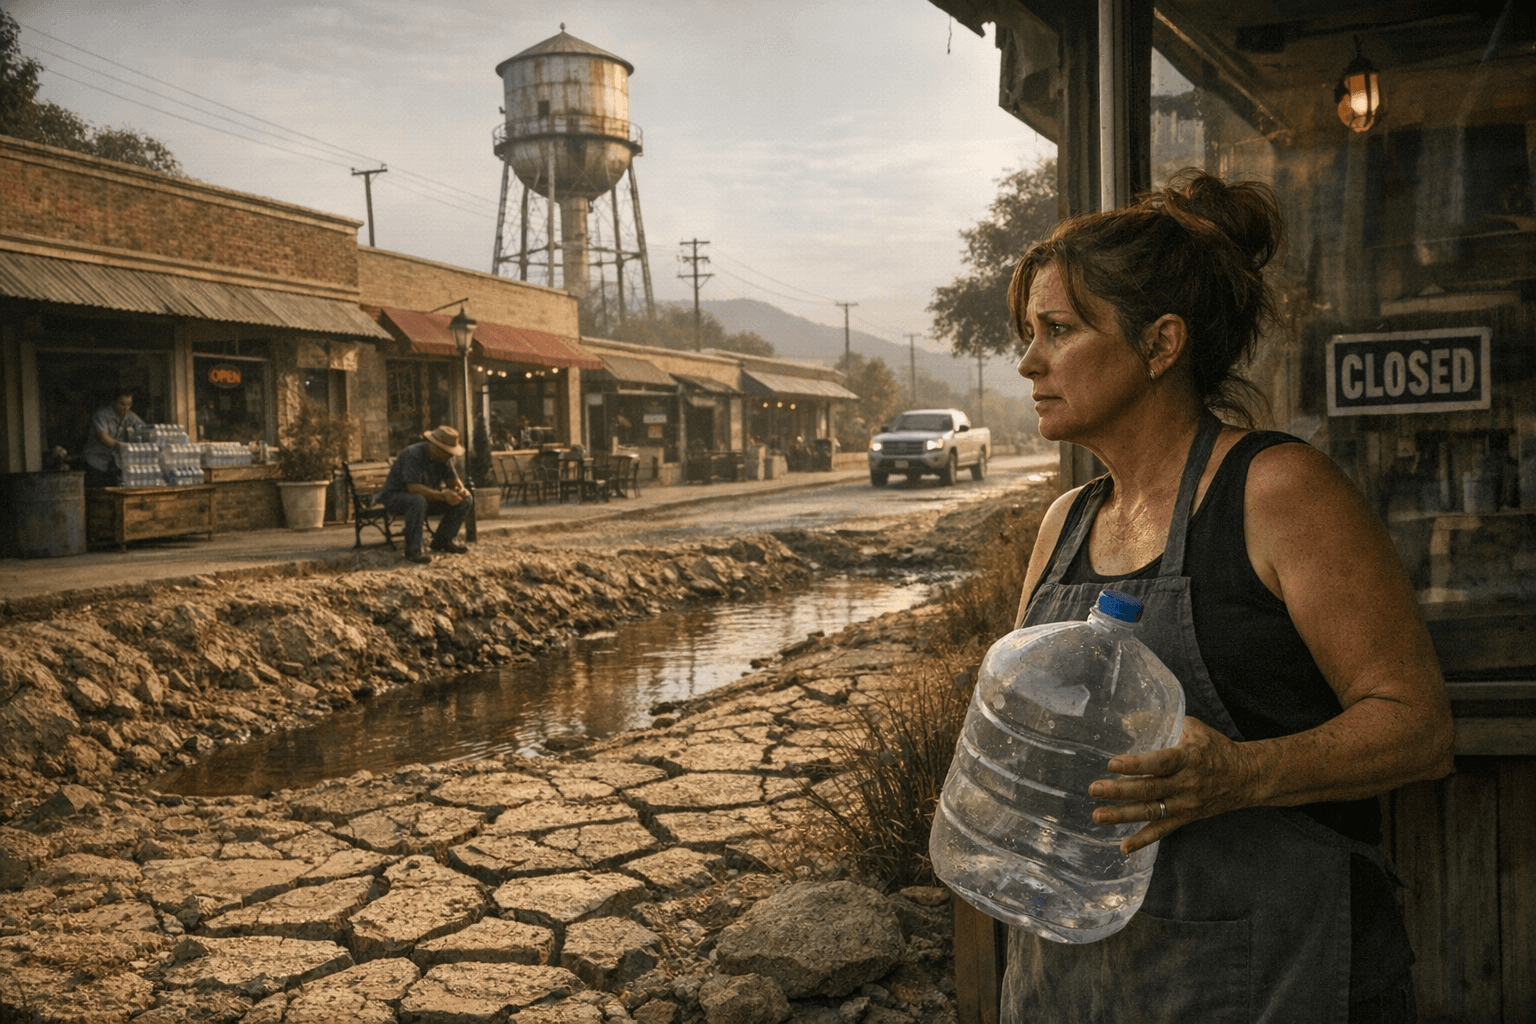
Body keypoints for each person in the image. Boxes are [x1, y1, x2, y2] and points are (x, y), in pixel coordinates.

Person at [1001, 170, 1453, 1023]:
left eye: (1058, 330)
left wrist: (1241, 774)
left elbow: (1419, 726)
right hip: (1073, 980)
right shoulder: (1065, 522)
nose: (1029, 362)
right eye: (1030, 333)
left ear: (1161, 344)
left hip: (1272, 977)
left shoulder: (1277, 491)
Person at [380, 425, 472, 565]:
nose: (451, 455)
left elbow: (452, 479)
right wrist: (443, 495)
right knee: (417, 500)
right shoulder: (412, 455)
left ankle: (443, 541)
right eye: (448, 451)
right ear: (436, 447)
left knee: (466, 499)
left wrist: (461, 490)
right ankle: (413, 551)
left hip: (424, 497)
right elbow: (412, 488)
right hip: (396, 497)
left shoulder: (444, 459)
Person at [81, 389, 147, 487]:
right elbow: (102, 437)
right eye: (122, 404)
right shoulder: (101, 415)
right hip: (95, 461)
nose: (126, 408)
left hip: (114, 464)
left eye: (129, 404)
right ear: (113, 402)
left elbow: (144, 432)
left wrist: (138, 441)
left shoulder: (131, 416)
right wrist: (124, 445)